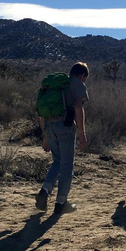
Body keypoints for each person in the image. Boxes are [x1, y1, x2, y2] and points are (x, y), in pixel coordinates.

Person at [36, 62, 89, 215]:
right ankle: (61, 203)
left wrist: (45, 135)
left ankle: (45, 191)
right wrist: (82, 133)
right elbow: (78, 108)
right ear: (82, 75)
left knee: (57, 162)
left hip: (50, 126)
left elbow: (42, 113)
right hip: (65, 128)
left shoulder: (56, 85)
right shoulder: (77, 84)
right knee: (67, 165)